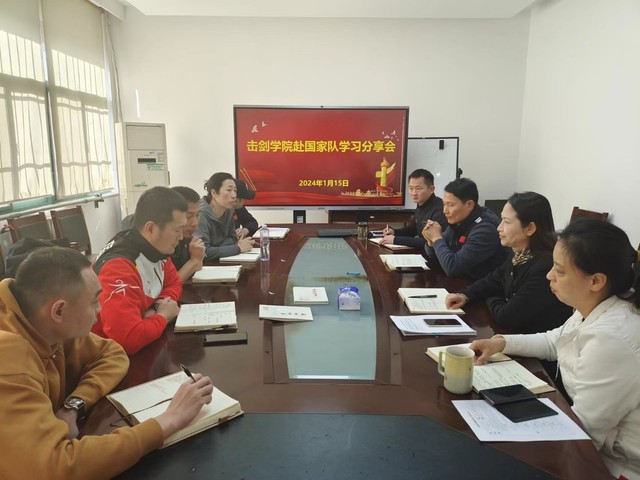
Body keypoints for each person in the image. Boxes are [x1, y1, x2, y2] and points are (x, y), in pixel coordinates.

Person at [0, 247, 214, 479]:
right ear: (59, 310)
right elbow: (53, 468)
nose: (100, 309)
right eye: (94, 301)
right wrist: (167, 421)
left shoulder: (44, 323)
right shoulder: (9, 357)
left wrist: (74, 405)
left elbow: (113, 353)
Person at [471, 219, 640, 480]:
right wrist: (500, 343)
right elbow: (555, 341)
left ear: (595, 281)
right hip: (584, 436)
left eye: (559, 271)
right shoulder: (600, 305)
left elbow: (584, 434)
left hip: (615, 466)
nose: (549, 275)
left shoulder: (612, 338)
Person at [445, 192, 572, 333]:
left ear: (530, 228)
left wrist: (491, 297)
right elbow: (492, 281)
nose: (499, 228)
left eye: (506, 221)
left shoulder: (545, 267)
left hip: (537, 342)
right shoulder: (518, 254)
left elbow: (506, 316)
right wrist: (465, 295)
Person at [92, 186, 187, 355]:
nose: (181, 237)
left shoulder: (155, 248)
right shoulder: (118, 267)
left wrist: (159, 305)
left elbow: (174, 282)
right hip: (105, 356)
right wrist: (163, 316)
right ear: (151, 228)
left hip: (145, 346)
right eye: (177, 230)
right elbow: (127, 339)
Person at [422, 178, 508, 280]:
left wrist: (436, 238)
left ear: (469, 205)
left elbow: (452, 268)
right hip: (463, 280)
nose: (445, 211)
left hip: (482, 285)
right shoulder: (460, 219)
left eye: (450, 205)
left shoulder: (486, 228)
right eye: (444, 204)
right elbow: (434, 254)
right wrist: (430, 242)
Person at [380, 168, 447, 248]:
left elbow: (430, 241)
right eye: (411, 188)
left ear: (431, 189)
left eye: (418, 189)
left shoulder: (440, 209)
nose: (414, 193)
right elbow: (412, 229)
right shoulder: (421, 203)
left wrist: (395, 240)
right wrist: (394, 232)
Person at [195, 172, 255, 260]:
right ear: (214, 193)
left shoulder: (229, 210)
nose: (234, 195)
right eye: (229, 190)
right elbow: (203, 252)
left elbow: (233, 238)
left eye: (235, 191)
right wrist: (237, 248)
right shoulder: (200, 214)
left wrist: (218, 247)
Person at [169, 186, 206, 282]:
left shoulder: (187, 237)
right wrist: (194, 260)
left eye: (197, 215)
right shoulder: (161, 243)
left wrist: (197, 260)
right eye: (188, 216)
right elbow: (169, 285)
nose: (195, 223)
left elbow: (198, 267)